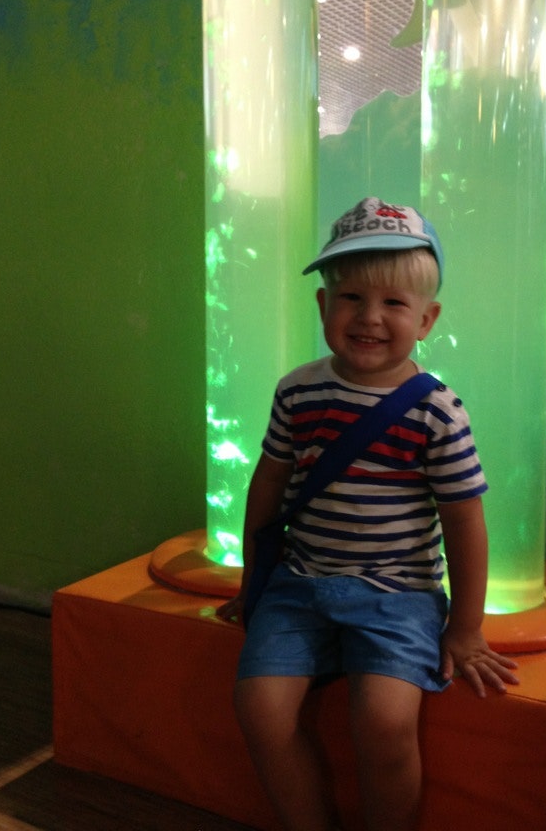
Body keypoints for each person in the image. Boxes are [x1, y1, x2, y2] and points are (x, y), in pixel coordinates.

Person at [218, 197, 519, 831]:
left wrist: (465, 628)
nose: (369, 317)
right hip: (299, 586)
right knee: (260, 709)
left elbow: (464, 520)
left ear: (426, 319)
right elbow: (268, 485)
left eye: (393, 303)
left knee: (384, 722)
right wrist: (254, 580)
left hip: (398, 596)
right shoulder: (298, 391)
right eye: (351, 297)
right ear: (323, 305)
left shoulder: (437, 412)